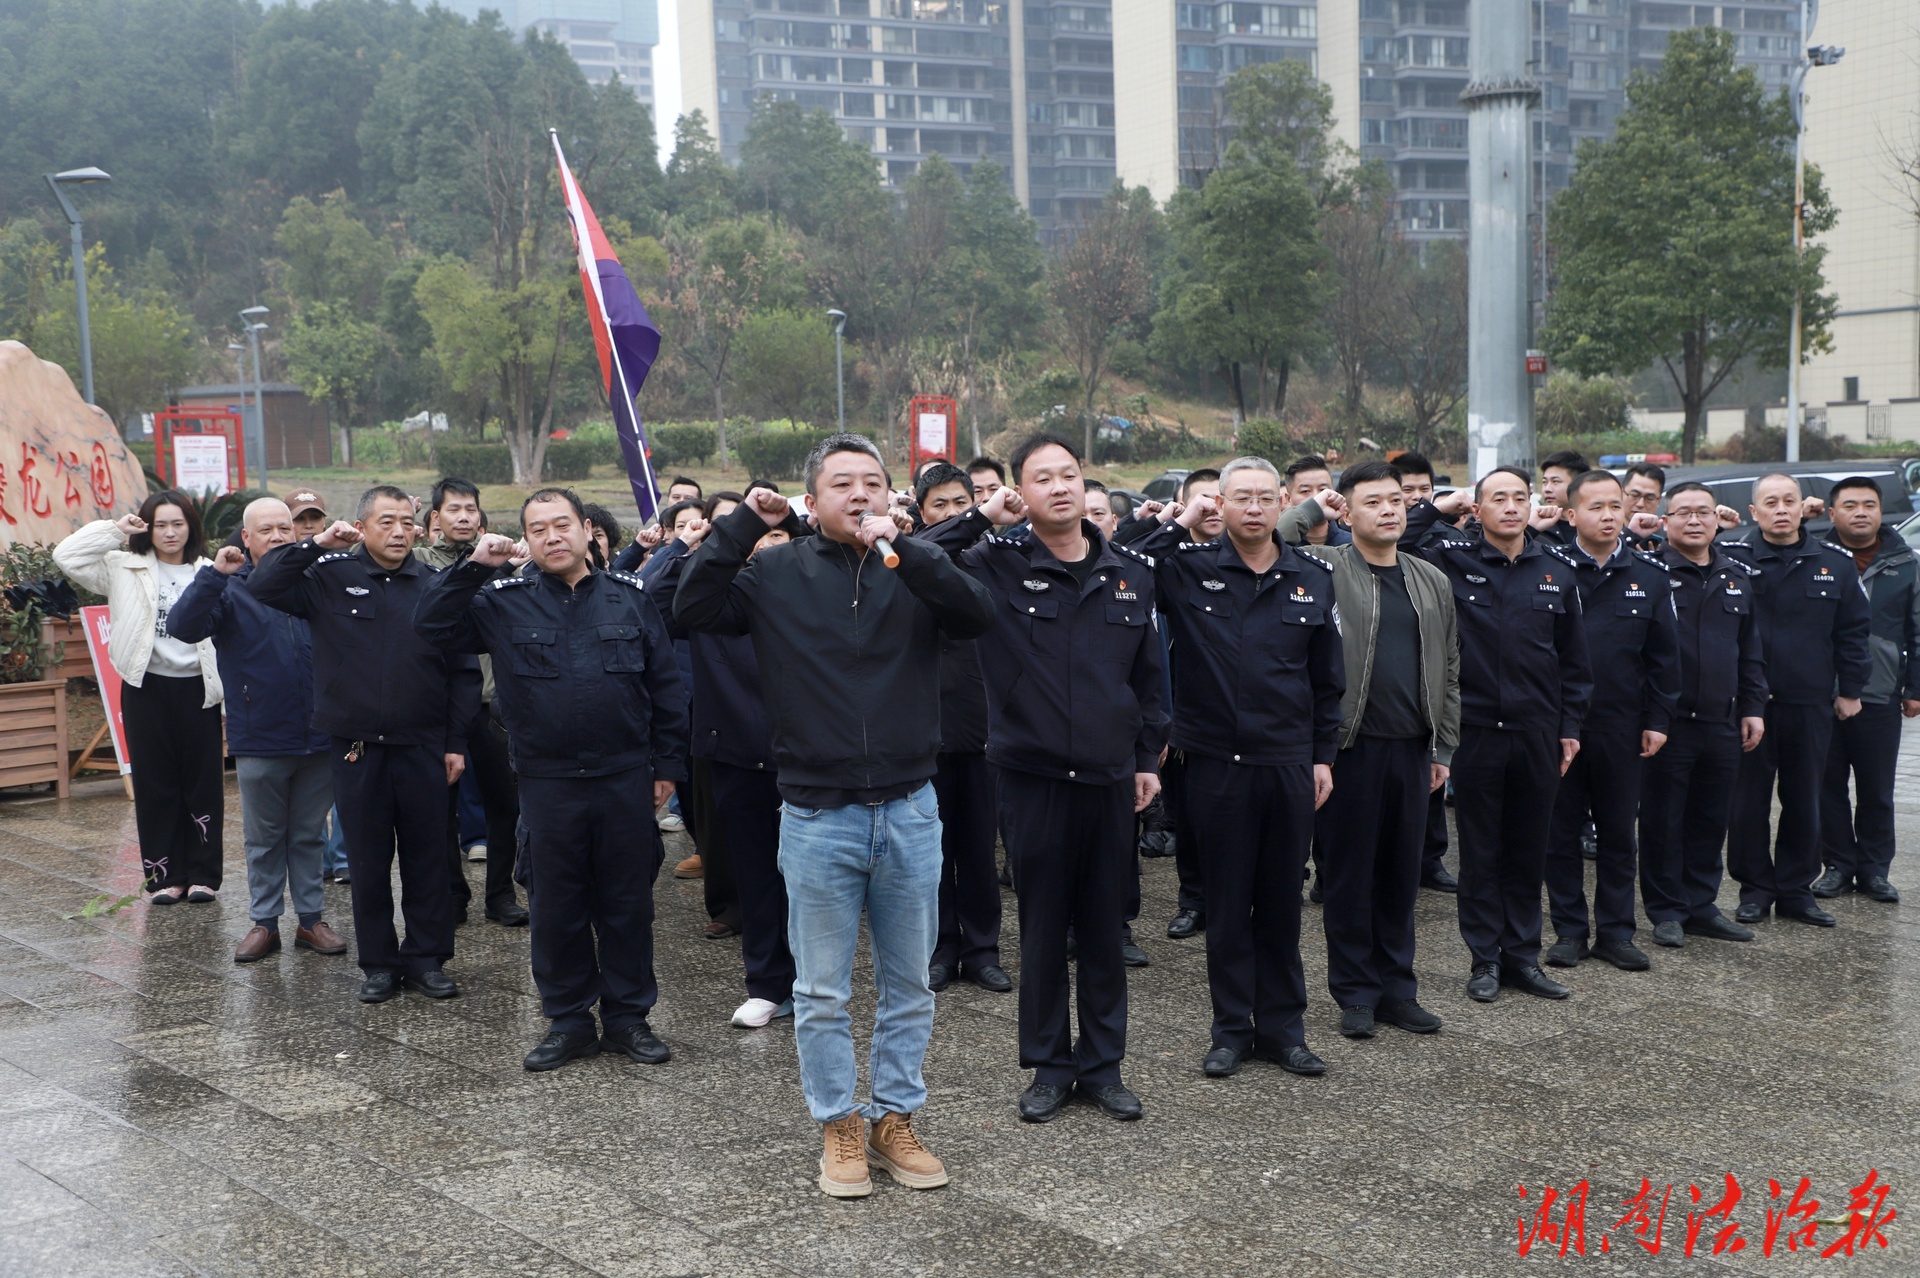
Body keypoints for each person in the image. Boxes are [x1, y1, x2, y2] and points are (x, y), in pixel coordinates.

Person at [677, 434, 994, 1200]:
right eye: (842, 484)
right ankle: (838, 1122)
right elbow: (691, 607)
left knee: (908, 982)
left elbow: (976, 615)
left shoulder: (913, 568)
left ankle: (896, 1118)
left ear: (892, 497)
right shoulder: (775, 571)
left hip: (912, 810)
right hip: (818, 817)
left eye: (873, 483)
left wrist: (908, 552)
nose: (859, 494)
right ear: (811, 500)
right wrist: (742, 526)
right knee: (821, 992)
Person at [925, 433, 1167, 1125]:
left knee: (1102, 930)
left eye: (1069, 475)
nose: (1059, 487)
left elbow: (1149, 679)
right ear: (1021, 493)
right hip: (1030, 775)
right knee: (1040, 928)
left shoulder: (1131, 570)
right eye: (1041, 478)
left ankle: (1103, 1065)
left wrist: (1147, 759)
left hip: (1110, 776)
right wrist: (980, 515)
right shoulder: (995, 562)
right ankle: (1049, 1067)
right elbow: (921, 562)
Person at [416, 488, 688, 1070]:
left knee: (627, 903)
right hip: (546, 781)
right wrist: (475, 567)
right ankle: (568, 1021)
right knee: (555, 906)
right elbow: (430, 626)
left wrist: (668, 767)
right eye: (536, 529)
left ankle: (627, 1019)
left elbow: (666, 686)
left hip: (624, 778)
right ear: (526, 540)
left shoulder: (629, 597)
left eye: (561, 525)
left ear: (587, 530)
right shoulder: (501, 600)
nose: (551, 537)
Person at [1131, 457, 1345, 1076]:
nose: (1253, 508)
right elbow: (1124, 564)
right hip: (1215, 766)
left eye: (1263, 498)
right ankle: (1230, 1030)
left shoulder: (1311, 576)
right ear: (1219, 504)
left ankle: (1284, 1029)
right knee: (1224, 904)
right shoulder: (1187, 570)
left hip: (1287, 763)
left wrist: (1322, 756)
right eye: (1238, 498)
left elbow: (1328, 679)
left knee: (1281, 901)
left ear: (1282, 503)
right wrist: (1178, 522)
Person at [250, 486, 480, 1004]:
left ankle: (427, 959)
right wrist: (315, 543)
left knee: (427, 859)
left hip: (424, 745)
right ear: (363, 526)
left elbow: (463, 671)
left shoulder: (436, 584)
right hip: (357, 747)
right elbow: (263, 583)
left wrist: (455, 742)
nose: (399, 532)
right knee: (368, 862)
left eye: (407, 522)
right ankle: (379, 963)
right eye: (386, 522)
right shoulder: (332, 576)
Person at [1405, 471, 1593, 1003]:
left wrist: (1570, 727)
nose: (1510, 508)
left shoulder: (1557, 571)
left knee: (1529, 848)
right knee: (1482, 849)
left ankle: (1523, 958)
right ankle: (1484, 959)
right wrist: (1443, 506)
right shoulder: (1451, 561)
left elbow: (1575, 662)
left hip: (1539, 730)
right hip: (1476, 729)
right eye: (1497, 499)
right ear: (1478, 510)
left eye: (1519, 498)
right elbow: (1402, 542)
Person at [1285, 461, 1457, 1039]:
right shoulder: (1325, 566)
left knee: (1401, 875)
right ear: (1348, 512)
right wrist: (1316, 510)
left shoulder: (1429, 578)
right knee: (1351, 875)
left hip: (1413, 748)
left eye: (1396, 501)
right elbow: (1270, 537)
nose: (1389, 510)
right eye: (1373, 502)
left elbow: (1450, 668)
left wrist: (1443, 747)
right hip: (1349, 748)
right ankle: (1355, 992)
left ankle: (1397, 990)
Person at [169, 498, 347, 962]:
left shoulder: (316, 581)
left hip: (319, 731)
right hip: (261, 734)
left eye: (285, 528)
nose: (278, 536)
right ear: (245, 538)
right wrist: (214, 576)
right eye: (265, 529)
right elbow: (184, 627)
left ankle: (311, 920)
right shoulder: (231, 587)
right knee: (264, 837)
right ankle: (264, 923)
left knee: (310, 834)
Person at [650, 503, 806, 1028]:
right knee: (757, 879)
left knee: (815, 883)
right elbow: (652, 601)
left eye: (778, 533)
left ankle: (816, 984)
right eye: (754, 536)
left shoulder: (814, 592)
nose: (765, 544)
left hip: (809, 756)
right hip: (737, 754)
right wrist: (691, 546)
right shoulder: (715, 600)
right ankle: (768, 984)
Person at [55, 493, 226, 904]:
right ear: (147, 527)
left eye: (178, 524)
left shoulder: (210, 571)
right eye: (160, 524)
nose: (169, 533)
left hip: (198, 688)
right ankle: (165, 876)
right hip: (145, 686)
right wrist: (116, 530)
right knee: (155, 783)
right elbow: (68, 556)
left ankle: (203, 875)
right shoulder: (124, 567)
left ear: (192, 527)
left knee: (202, 783)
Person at [1541, 470, 1680, 973]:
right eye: (1595, 507)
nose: (1607, 516)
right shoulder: (1550, 570)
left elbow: (1665, 659)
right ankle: (1570, 931)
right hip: (1561, 727)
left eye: (1614, 507)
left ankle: (1617, 932)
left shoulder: (1650, 576)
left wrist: (1659, 719)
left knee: (1619, 834)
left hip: (1623, 726)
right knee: (1559, 833)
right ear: (1571, 515)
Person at [1721, 474, 1872, 928]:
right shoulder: (1732, 560)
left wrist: (1850, 690)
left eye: (1789, 500)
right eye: (1771, 502)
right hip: (1749, 703)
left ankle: (1795, 889)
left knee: (1806, 797)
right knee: (1746, 802)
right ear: (1754, 512)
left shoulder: (1834, 563)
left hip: (1809, 702)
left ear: (1803, 507)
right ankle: (1754, 889)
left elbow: (1852, 633)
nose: (1781, 509)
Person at [1637, 482, 1769, 947]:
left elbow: (1749, 650)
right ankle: (1666, 909)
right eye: (1683, 513)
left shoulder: (1736, 575)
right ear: (1665, 521)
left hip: (1722, 720)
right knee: (1663, 819)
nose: (1694, 521)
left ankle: (1700, 903)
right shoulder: (1650, 573)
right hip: (1668, 723)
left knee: (1712, 818)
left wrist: (1753, 707)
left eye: (1703, 513)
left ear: (1718, 520)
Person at [910, 462, 1010, 995]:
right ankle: (941, 948)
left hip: (985, 724)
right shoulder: (907, 557)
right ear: (920, 512)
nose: (953, 514)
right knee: (932, 851)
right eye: (940, 506)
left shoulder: (995, 556)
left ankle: (983, 948)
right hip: (924, 728)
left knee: (977, 846)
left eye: (961, 503)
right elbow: (933, 552)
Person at [414, 478, 523, 927]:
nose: (464, 517)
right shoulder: (419, 563)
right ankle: (452, 895)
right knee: (441, 810)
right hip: (438, 706)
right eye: (454, 509)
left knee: (506, 807)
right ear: (435, 517)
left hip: (493, 704)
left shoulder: (503, 562)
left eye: (471, 509)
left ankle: (500, 895)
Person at [1813, 477, 1917, 905]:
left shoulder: (1906, 562)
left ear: (1880, 512)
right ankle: (1838, 865)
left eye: (1869, 505)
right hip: (1818, 692)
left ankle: (1875, 870)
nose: (1861, 512)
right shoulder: (1813, 557)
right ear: (1831, 513)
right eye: (1850, 505)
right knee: (1827, 784)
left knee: (1876, 788)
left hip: (1879, 692)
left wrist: (1914, 687)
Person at [1391, 453, 1459, 895]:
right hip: (1396, 673)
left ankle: (1431, 860)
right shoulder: (1404, 530)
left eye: (1424, 491)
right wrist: (1429, 511)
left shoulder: (1450, 537)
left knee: (1432, 778)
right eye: (1407, 492)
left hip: (1438, 668)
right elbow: (1404, 532)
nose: (1417, 499)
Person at [1285, 456, 1351, 547]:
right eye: (1305, 491)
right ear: (1288, 499)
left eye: (1323, 490)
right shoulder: (1280, 544)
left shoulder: (1352, 544)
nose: (1317, 498)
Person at [1622, 462, 1666, 548]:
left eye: (1649, 498)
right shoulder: (1606, 533)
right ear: (1621, 493)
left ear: (1658, 501)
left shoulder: (1666, 540)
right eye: (1634, 495)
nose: (1640, 504)